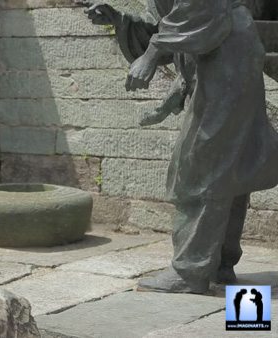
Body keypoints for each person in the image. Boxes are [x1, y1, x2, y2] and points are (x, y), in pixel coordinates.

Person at [83, 0, 278, 293]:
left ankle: (190, 270)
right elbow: (168, 19)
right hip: (219, 52)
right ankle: (218, 263)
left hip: (227, 53)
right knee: (229, 161)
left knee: (201, 165)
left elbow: (201, 8)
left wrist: (151, 54)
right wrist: (121, 20)